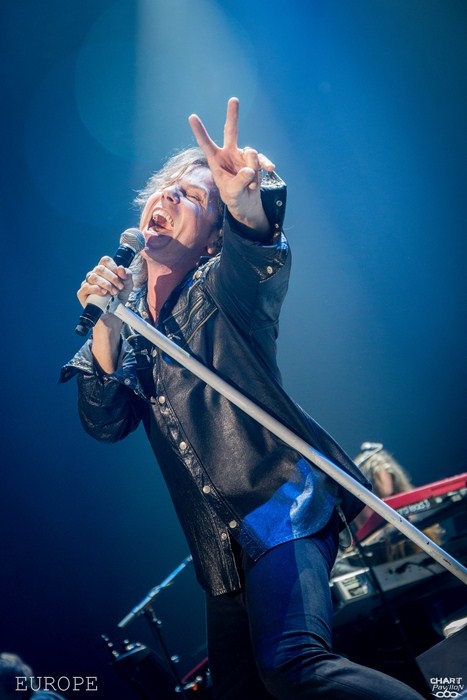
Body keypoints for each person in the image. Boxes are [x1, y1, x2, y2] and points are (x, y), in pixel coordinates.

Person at [61, 98, 426, 699]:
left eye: (190, 197)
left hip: (280, 508)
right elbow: (104, 422)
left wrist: (247, 210)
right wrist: (106, 323)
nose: (168, 197)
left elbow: (258, 256)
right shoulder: (133, 330)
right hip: (220, 547)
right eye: (166, 190)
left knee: (294, 664)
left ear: (213, 239)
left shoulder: (220, 289)